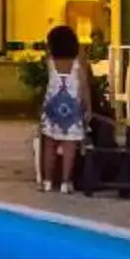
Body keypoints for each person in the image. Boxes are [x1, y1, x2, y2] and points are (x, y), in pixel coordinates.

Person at [36, 24, 92, 193]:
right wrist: (88, 107)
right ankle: (66, 183)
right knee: (69, 147)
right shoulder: (77, 63)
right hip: (72, 109)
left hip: (52, 107)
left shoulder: (50, 61)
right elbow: (84, 87)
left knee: (49, 146)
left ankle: (47, 181)